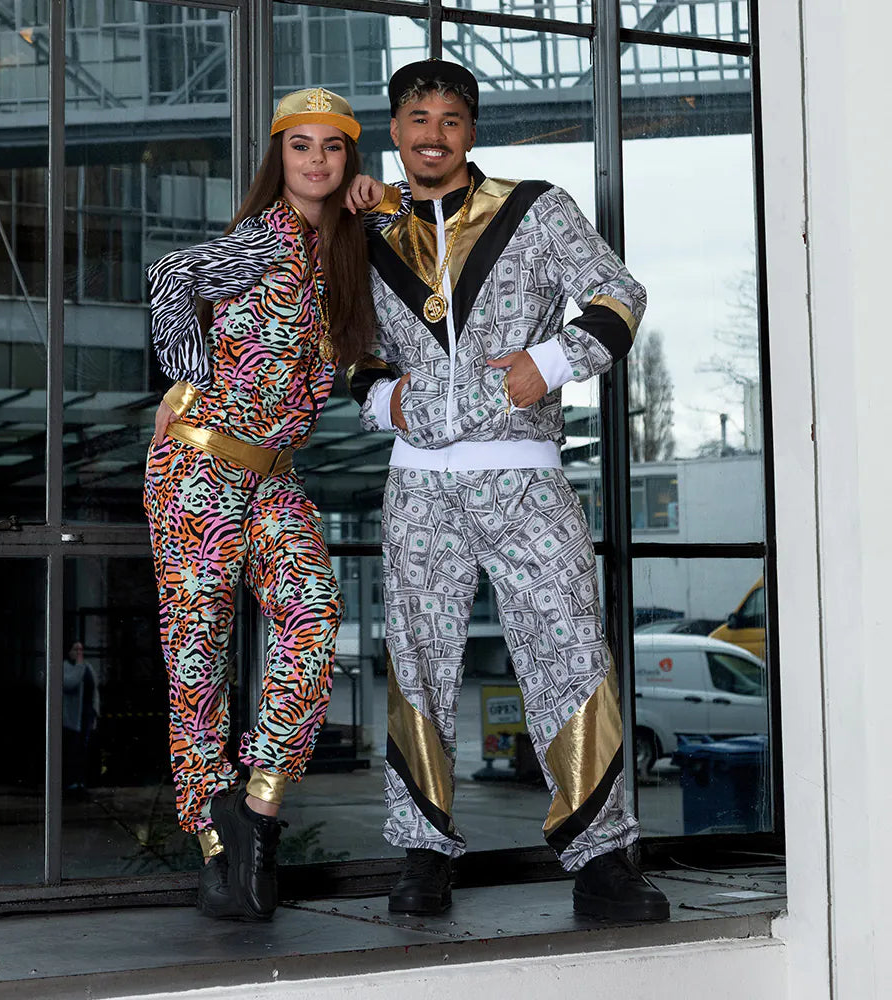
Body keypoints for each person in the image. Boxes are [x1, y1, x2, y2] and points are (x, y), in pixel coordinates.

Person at [347, 59, 670, 922]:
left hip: (525, 477)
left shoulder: (536, 209)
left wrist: (551, 362)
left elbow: (620, 294)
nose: (433, 136)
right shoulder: (367, 233)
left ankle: (603, 859)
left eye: (450, 120)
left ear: (471, 131)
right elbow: (353, 349)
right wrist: (384, 402)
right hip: (419, 489)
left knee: (571, 655)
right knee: (417, 664)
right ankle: (422, 854)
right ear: (396, 130)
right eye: (418, 120)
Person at [144, 87, 383, 922]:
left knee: (315, 615)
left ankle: (259, 808)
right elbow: (171, 276)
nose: (316, 159)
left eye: (333, 147)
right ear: (278, 157)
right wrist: (188, 380)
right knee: (198, 653)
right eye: (300, 145)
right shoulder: (265, 240)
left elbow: (426, 222)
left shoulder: (342, 250)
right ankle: (216, 845)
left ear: (349, 158)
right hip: (200, 468)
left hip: (274, 476)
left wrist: (381, 195)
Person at [62, 640, 99, 795]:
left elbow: (95, 689)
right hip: (71, 718)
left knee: (83, 749)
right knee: (72, 749)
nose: (79, 653)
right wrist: (78, 665)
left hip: (86, 715)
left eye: (81, 650)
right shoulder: (65, 667)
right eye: (75, 649)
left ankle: (81, 782)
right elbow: (71, 683)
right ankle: (71, 782)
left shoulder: (87, 666)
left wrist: (95, 711)